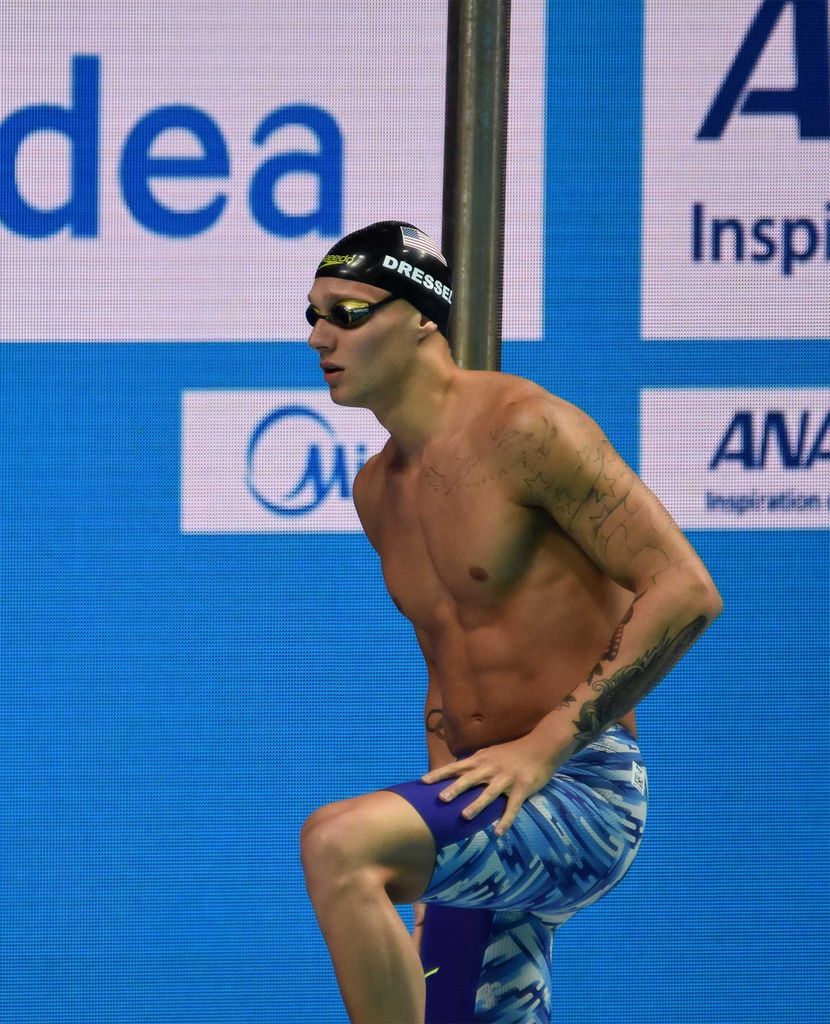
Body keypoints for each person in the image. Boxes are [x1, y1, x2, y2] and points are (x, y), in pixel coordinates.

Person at [299, 221, 722, 1024]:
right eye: (312, 316)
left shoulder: (526, 431)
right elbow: (446, 667)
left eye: (346, 312)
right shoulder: (376, 491)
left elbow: (685, 589)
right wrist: (435, 833)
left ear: (423, 316)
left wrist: (542, 746)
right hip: (481, 793)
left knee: (338, 845)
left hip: (581, 790)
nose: (321, 337)